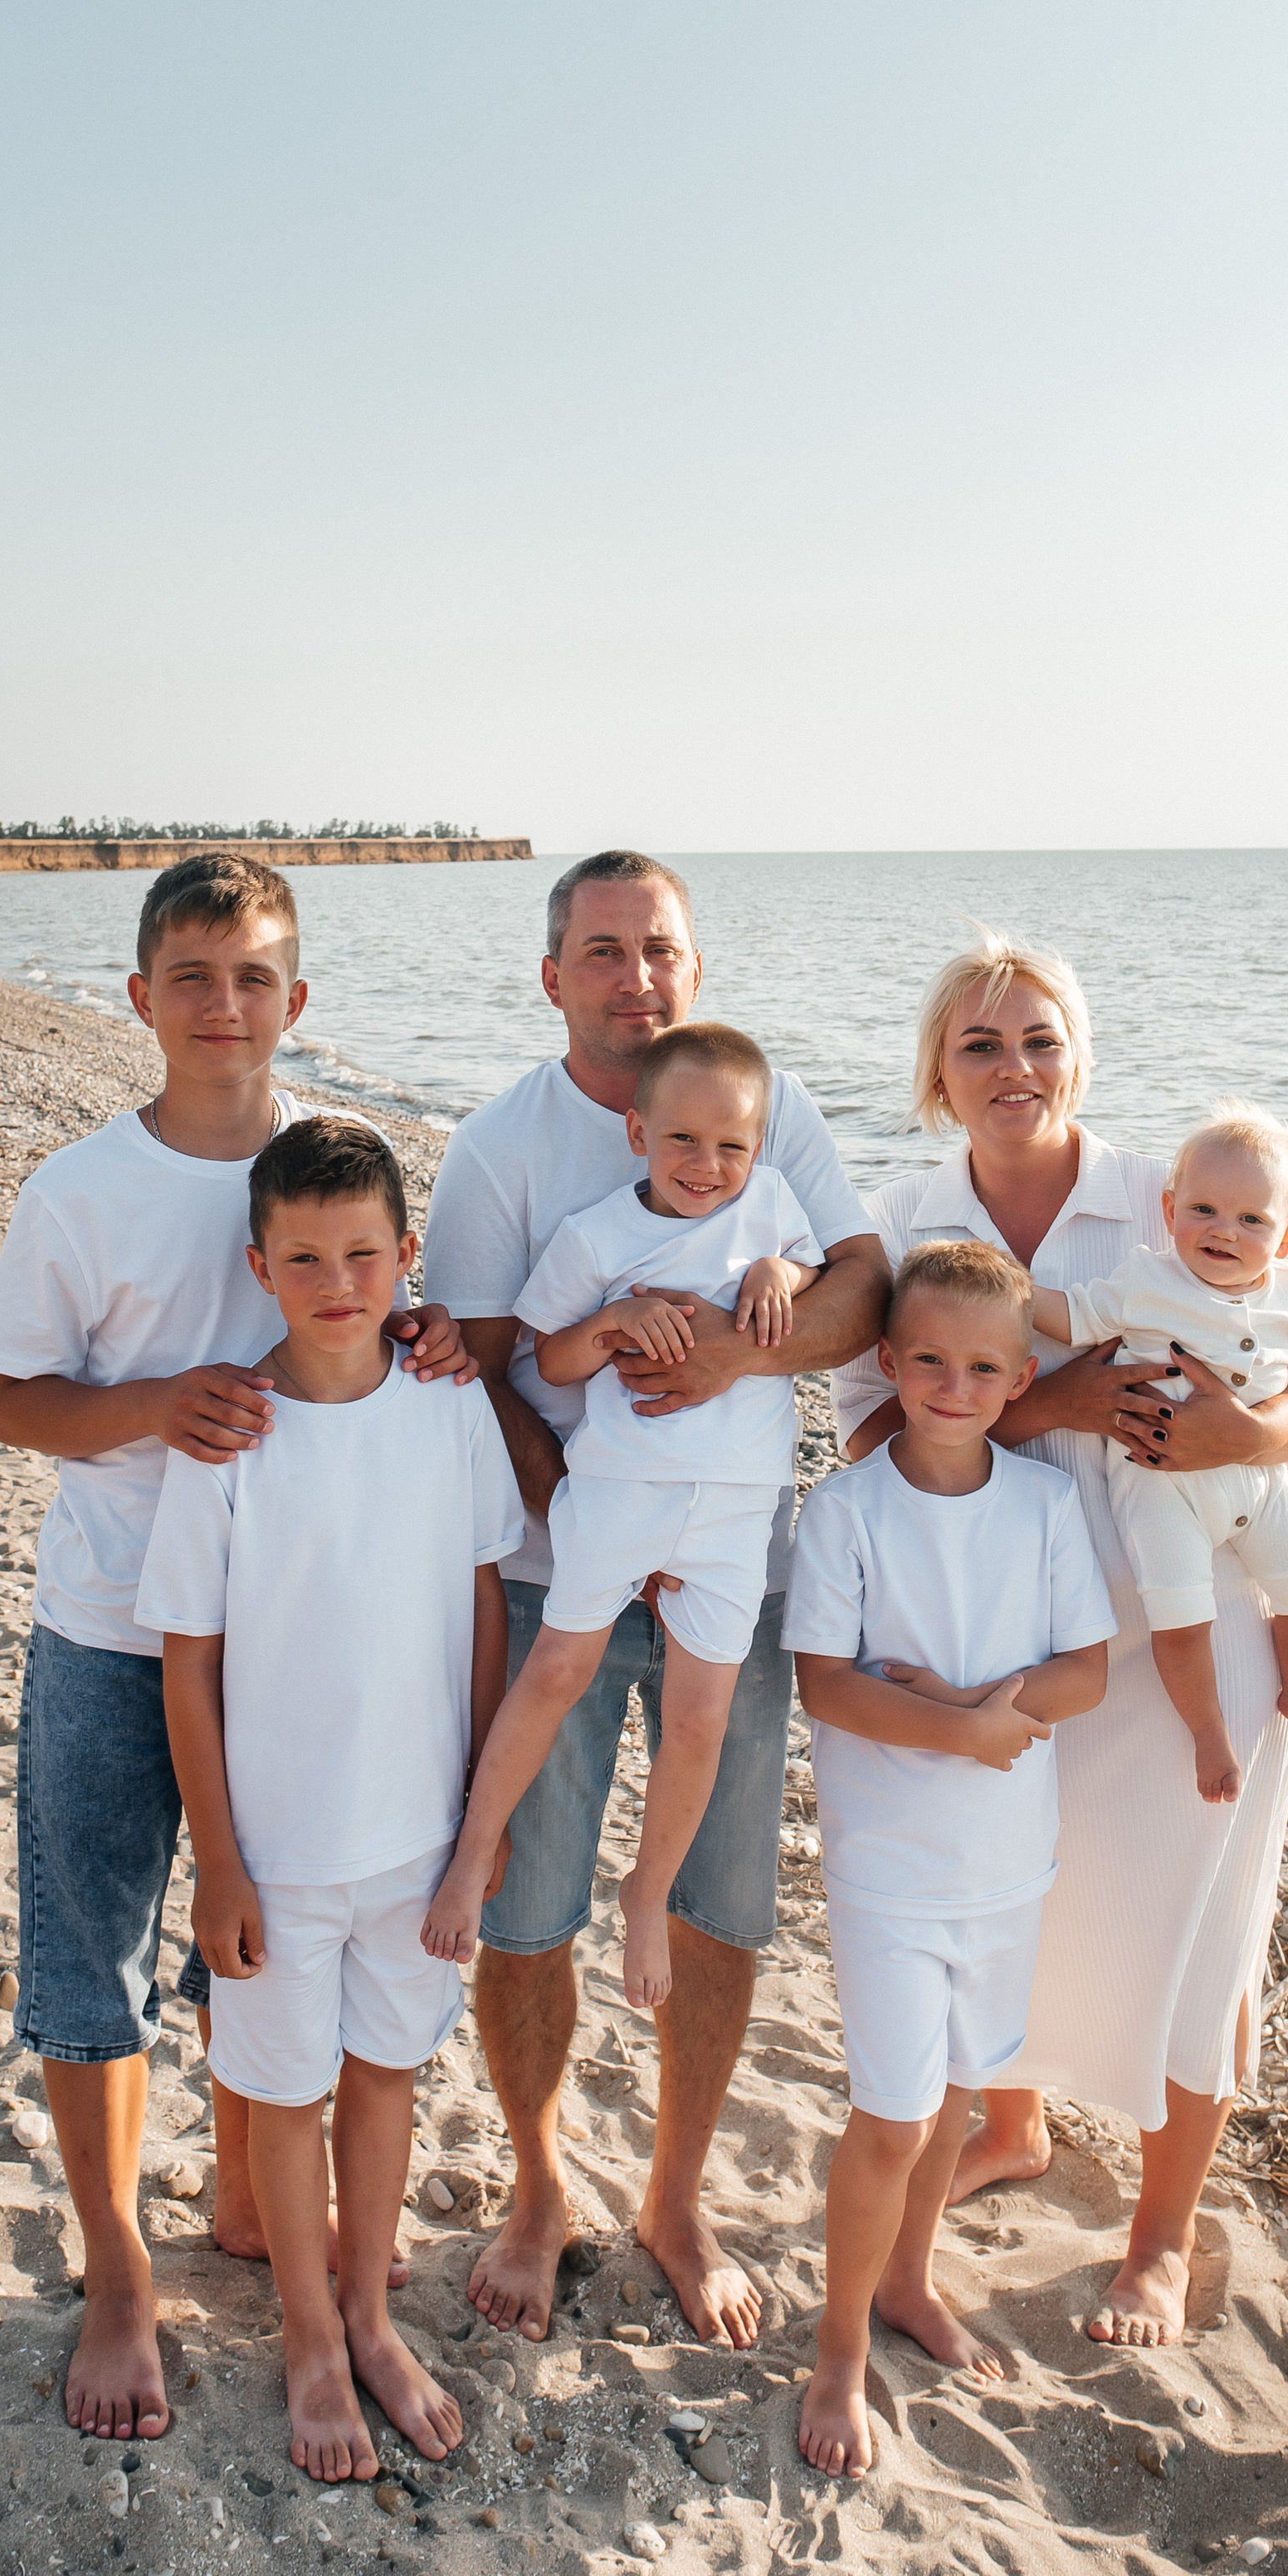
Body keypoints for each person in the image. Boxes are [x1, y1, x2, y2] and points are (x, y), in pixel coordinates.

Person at [0, 853, 471, 2441]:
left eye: (254, 976)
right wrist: (154, 1404)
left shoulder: (343, 1174)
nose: (224, 1005)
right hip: (120, 1621)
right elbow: (13, 1400)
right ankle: (120, 2270)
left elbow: (386, 1327)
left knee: (250, 1939)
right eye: (192, 976)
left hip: (310, 1637)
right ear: (140, 998)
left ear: (299, 1001)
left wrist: (443, 1333)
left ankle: (250, 2206)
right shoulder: (80, 1190)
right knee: (97, 1950)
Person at [830, 931, 1288, 2349]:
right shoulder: (903, 1217)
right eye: (983, 1043)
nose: (1016, 1068)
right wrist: (1045, 1408)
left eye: (1040, 1039)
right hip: (1008, 1632)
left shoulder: (1165, 1191)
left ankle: (1162, 2241)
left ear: (1082, 1055)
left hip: (1196, 1617)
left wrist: (1258, 1429)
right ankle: (1014, 2125)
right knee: (1016, 1901)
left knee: (1197, 1924)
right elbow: (871, 1428)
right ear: (939, 1067)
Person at [422, 850, 889, 2347]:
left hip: (731, 1561)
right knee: (529, 1907)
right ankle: (538, 2186)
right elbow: (484, 1364)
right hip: (565, 1558)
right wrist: (583, 1511)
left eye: (662, 949)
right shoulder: (502, 1151)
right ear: (553, 975)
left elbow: (867, 1286)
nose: (637, 975)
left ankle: (675, 2195)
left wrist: (741, 1354)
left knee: (723, 1903)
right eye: (605, 950)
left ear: (695, 966)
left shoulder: (768, 1104)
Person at [136, 1115, 522, 2481]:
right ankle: (308, 2337)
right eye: (305, 1257)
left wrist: (481, 1817)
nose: (338, 1282)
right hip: (282, 1849)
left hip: (419, 1835)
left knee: (388, 2073)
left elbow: (484, 1605)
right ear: (261, 1266)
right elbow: (190, 1669)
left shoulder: (447, 1403)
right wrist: (222, 1867)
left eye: (365, 1254)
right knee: (283, 2090)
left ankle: (367, 2310)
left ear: (407, 1260)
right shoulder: (228, 1434)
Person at [785, 1239, 1113, 2479]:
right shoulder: (850, 1507)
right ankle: (834, 2347)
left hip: (1009, 1862)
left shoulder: (1041, 1503)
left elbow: (1087, 1668)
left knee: (965, 2088)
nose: (953, 1382)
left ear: (1021, 1376)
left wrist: (989, 1704)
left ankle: (910, 2278)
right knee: (892, 2112)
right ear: (888, 1362)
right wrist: (959, 1729)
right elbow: (828, 1683)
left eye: (983, 1365)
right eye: (928, 1358)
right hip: (889, 1868)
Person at [422, 1024, 826, 2010]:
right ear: (638, 1131)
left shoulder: (770, 1206)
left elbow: (814, 1269)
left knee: (700, 1718)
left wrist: (781, 1274)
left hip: (735, 1515)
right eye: (683, 1141)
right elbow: (540, 1360)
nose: (708, 1165)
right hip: (615, 1495)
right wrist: (605, 1327)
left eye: (732, 1145)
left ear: (759, 1145)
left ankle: (647, 1894)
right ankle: (476, 1850)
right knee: (556, 1671)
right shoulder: (597, 1235)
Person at [1025, 1098, 1288, 1804]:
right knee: (1180, 1615)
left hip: (1261, 1480)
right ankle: (1207, 1731)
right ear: (1169, 1210)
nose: (1224, 1231)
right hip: (1159, 1482)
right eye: (1204, 1210)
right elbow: (1073, 1315)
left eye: (1252, 1219)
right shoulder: (1145, 1280)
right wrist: (1010, 1290)